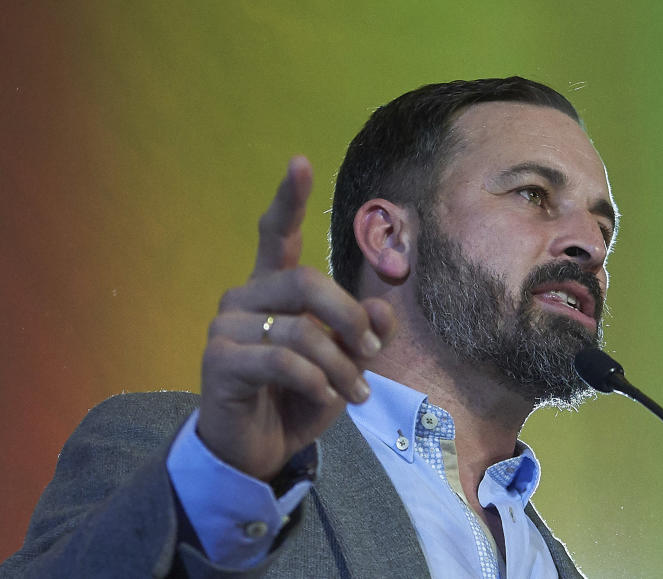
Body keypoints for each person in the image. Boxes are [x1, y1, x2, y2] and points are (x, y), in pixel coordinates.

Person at [1, 77, 619, 578]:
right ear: (390, 236)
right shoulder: (182, 459)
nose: (588, 245)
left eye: (603, 228)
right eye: (534, 194)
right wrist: (219, 482)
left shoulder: (560, 566)